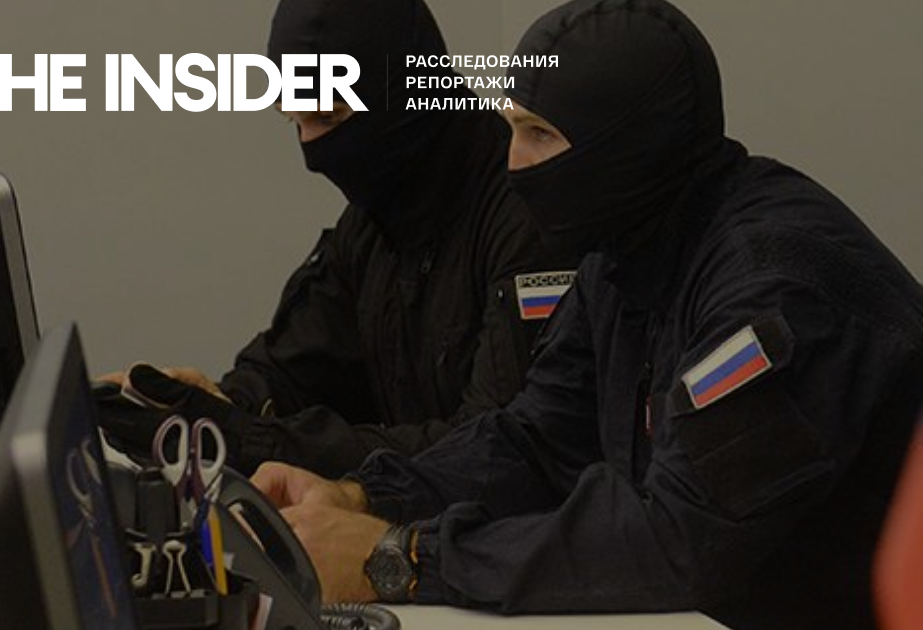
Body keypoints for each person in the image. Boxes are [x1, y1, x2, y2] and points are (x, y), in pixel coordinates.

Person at [251, 1, 923, 629]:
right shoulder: (624, 253)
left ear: (629, 144)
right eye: (513, 128)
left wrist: (400, 558)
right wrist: (364, 498)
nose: (514, 164)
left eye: (540, 135)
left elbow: (680, 543)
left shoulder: (771, 290)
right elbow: (535, 440)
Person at [98, 0, 577, 477]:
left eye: (328, 118)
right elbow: (296, 368)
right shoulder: (375, 218)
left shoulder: (529, 221)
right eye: (294, 120)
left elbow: (494, 452)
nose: (312, 149)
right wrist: (219, 403)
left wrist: (246, 438)